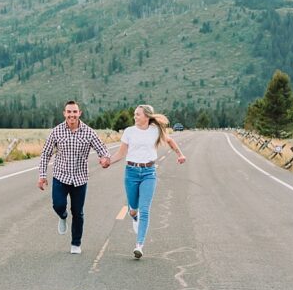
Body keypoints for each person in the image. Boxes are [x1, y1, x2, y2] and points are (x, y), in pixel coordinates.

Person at [110, 104, 185, 259]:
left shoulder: (156, 131)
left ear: (146, 116)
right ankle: (133, 215)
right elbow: (121, 153)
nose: (134, 116)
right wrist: (108, 162)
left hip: (149, 173)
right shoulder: (129, 131)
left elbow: (170, 141)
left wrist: (180, 154)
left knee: (145, 209)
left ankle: (139, 245)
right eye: (134, 114)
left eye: (137, 114)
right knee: (133, 209)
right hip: (131, 173)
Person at [38, 100, 111, 254]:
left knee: (78, 212)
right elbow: (45, 154)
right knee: (58, 205)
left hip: (80, 178)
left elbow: (103, 149)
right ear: (64, 113)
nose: (72, 115)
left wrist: (105, 159)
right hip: (60, 176)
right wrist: (42, 175)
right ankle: (63, 216)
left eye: (74, 112)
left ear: (80, 113)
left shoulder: (89, 132)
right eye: (69, 112)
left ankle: (76, 243)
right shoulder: (56, 131)